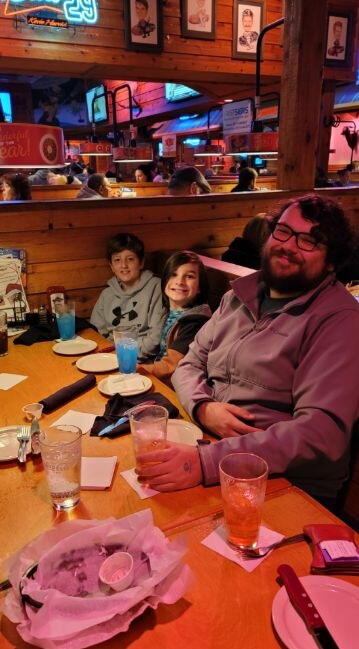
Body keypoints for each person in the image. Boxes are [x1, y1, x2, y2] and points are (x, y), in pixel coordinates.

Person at [136, 194, 359, 510]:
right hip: (209, 448)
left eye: (310, 240)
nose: (289, 245)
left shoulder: (339, 319)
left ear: (332, 261)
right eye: (283, 231)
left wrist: (206, 463)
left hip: (287, 487)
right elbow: (189, 363)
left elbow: (321, 434)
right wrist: (202, 407)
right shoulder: (238, 296)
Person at [90, 232, 165, 361]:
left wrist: (124, 354)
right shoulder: (107, 294)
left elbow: (155, 340)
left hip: (142, 360)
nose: (124, 265)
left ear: (141, 263)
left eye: (130, 259)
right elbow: (95, 333)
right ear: (111, 266)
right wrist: (107, 355)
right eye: (117, 260)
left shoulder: (155, 287)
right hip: (110, 357)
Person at [143, 251, 211, 384]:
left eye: (189, 276)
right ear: (164, 281)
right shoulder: (166, 312)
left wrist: (137, 370)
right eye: (173, 274)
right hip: (158, 376)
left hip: (175, 386)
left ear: (199, 287)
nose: (179, 282)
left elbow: (171, 366)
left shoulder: (196, 321)